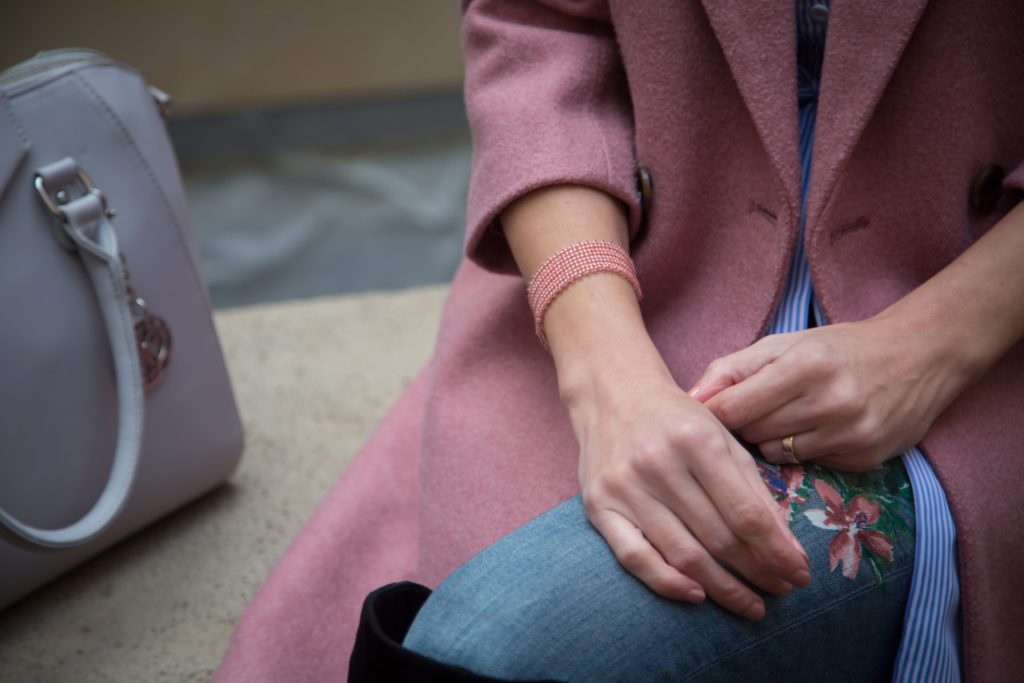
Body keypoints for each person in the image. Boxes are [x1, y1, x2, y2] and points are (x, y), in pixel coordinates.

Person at [215, 2, 1024, 681]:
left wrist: (927, 351)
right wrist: (608, 381)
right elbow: (539, 32)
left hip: (978, 340)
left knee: (499, 646)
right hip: (624, 286)